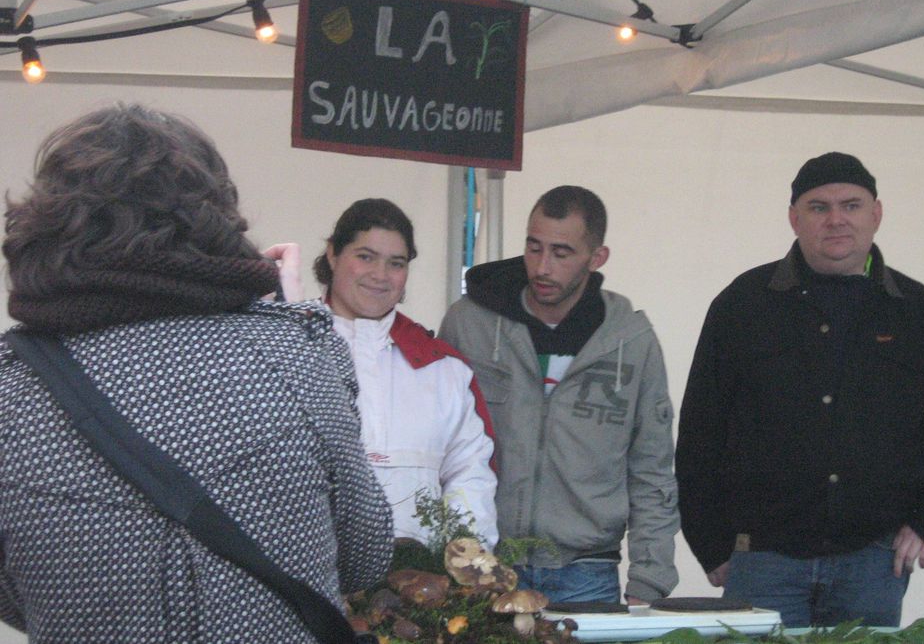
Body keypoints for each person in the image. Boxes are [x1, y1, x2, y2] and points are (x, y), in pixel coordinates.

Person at [0, 103, 394, 642]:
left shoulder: (12, 387)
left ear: (48, 223)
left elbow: (12, 590)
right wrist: (287, 321)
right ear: (212, 216)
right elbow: (364, 557)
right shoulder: (296, 353)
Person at [675, 151, 924, 628]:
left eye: (851, 205)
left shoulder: (918, 312)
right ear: (793, 218)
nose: (836, 220)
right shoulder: (743, 305)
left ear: (876, 214)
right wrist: (709, 545)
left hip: (874, 560)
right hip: (761, 558)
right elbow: (700, 432)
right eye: (818, 207)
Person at [439, 185, 680, 605]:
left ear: (597, 258)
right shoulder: (470, 324)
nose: (542, 267)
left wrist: (650, 577)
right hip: (482, 563)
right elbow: (436, 442)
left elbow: (651, 468)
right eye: (534, 247)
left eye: (561, 253)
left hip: (587, 568)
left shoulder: (631, 340)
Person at [313, 198, 498, 549]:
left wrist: (462, 570)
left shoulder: (444, 368)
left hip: (418, 592)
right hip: (308, 585)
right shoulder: (287, 352)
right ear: (333, 254)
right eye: (365, 256)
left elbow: (470, 477)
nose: (380, 275)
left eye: (395, 263)